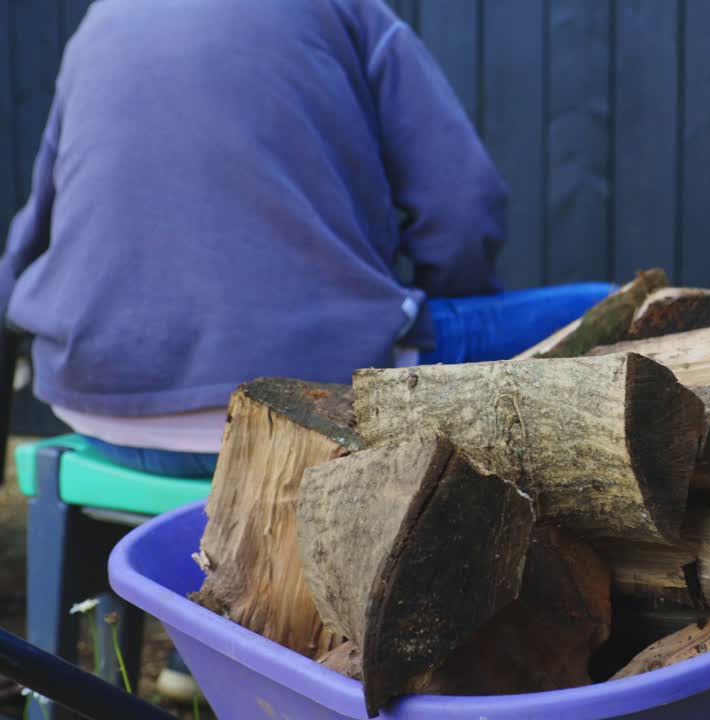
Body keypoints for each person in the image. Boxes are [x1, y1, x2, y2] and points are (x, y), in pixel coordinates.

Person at [0, 0, 608, 702]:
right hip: (302, 418)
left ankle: (206, 652)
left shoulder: (103, 18)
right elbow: (463, 206)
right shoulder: (343, 10)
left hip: (103, 414)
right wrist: (443, 327)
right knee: (613, 305)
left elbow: (31, 233)